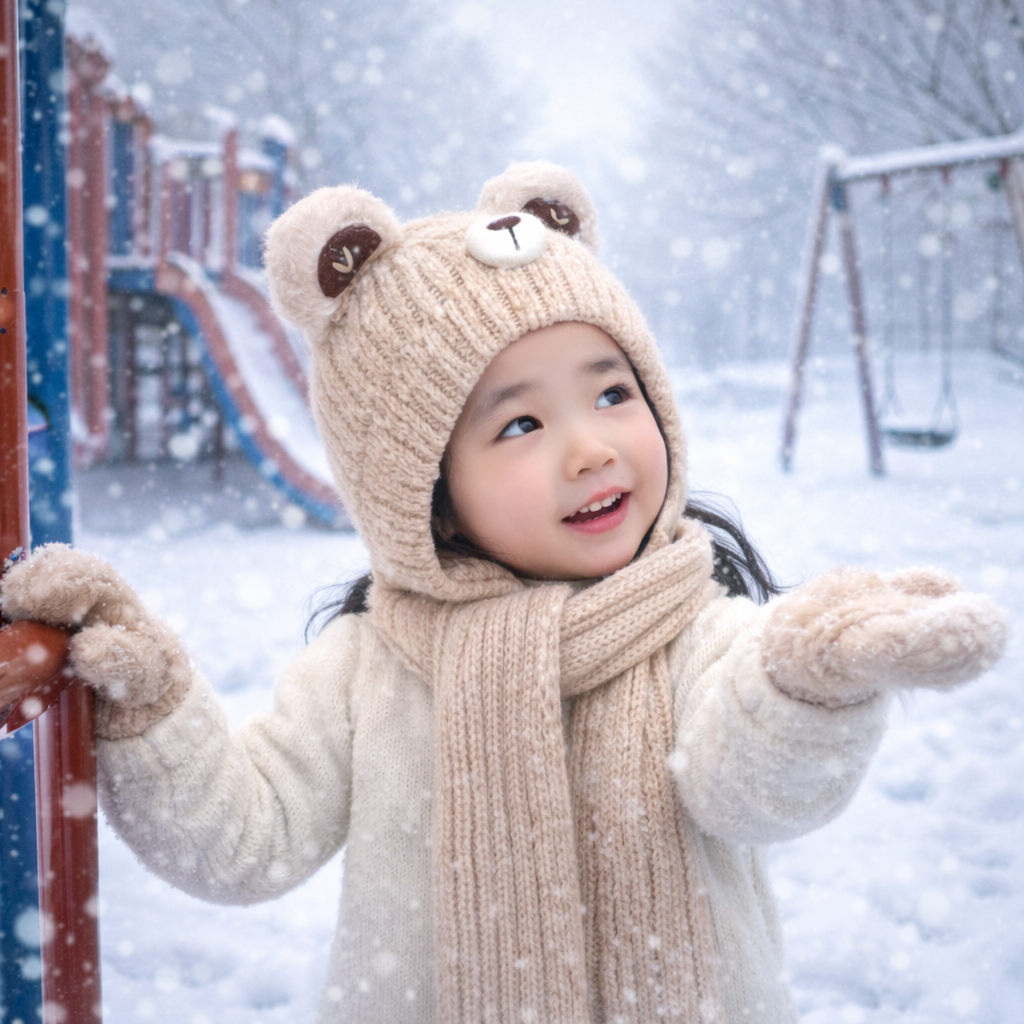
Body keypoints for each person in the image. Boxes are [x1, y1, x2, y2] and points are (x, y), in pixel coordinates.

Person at [1, 163, 1008, 1024]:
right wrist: (154, 702)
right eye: (518, 425)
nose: (591, 447)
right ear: (425, 494)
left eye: (613, 392)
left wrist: (809, 676)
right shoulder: (371, 664)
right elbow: (243, 839)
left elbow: (747, 785)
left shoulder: (699, 628)